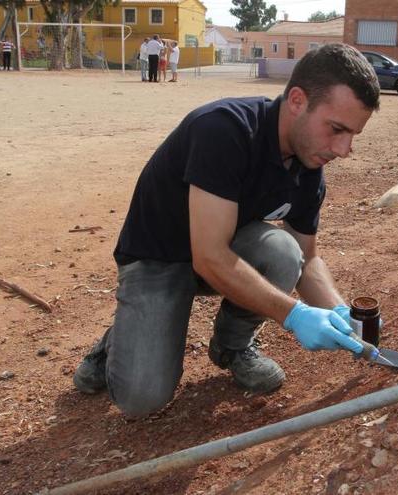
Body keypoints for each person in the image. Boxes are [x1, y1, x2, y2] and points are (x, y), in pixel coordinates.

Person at [72, 43, 381, 419]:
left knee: (284, 254)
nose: (345, 149)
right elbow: (210, 256)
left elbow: (308, 259)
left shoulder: (308, 167)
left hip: (217, 255)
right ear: (297, 100)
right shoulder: (224, 129)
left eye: (353, 135)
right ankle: (117, 339)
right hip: (158, 259)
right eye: (337, 129)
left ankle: (233, 347)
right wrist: (296, 315)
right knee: (142, 399)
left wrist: (340, 313)